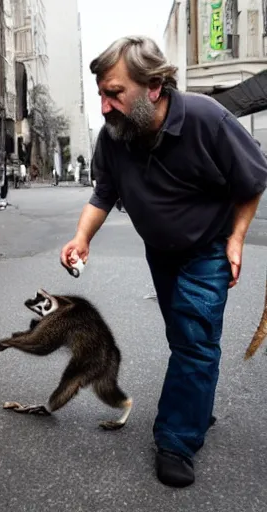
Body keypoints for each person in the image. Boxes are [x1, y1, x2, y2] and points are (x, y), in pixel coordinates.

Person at [60, 36, 267, 488]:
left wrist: (236, 239)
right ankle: (195, 406)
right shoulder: (115, 134)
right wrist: (81, 238)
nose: (104, 106)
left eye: (114, 92)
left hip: (207, 249)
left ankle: (176, 439)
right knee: (186, 338)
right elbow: (104, 192)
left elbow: (252, 179)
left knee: (194, 338)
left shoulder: (206, 118)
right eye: (99, 93)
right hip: (161, 254)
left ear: (153, 86)